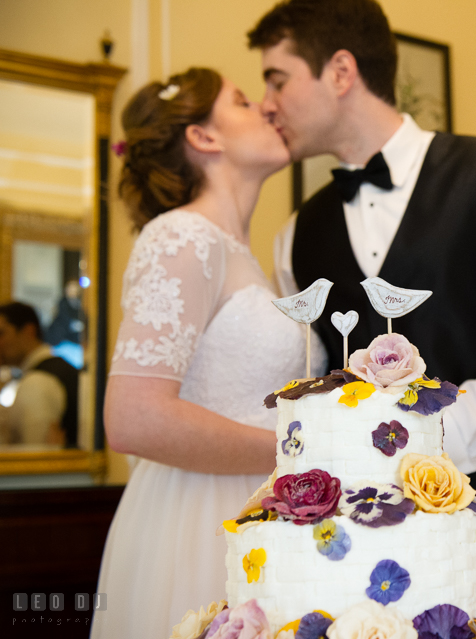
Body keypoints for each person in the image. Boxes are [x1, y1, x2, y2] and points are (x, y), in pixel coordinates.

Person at [248, 2, 476, 636]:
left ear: (340, 70)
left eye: (277, 78)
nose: (267, 102)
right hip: (360, 552)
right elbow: (317, 385)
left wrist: (420, 451)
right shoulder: (295, 237)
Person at [91, 67, 322, 639]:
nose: (267, 109)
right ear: (203, 137)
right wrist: (297, 453)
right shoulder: (181, 237)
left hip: (258, 514)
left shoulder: (245, 253)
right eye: (243, 101)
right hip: (199, 522)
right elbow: (133, 417)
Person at [0, 301, 78, 447]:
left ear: (28, 331)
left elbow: (37, 457)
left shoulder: (37, 381)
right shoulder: (51, 371)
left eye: (1, 333)